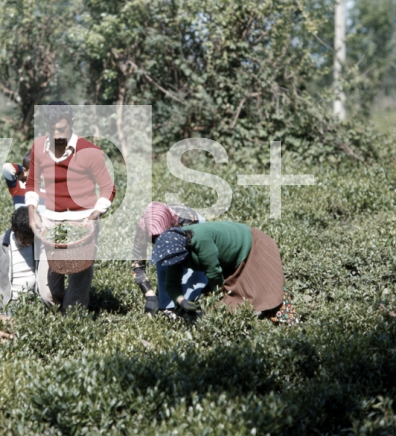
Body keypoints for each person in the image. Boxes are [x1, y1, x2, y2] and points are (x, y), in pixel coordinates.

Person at [25, 100, 116, 312]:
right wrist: (32, 211)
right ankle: (63, 313)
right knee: (48, 290)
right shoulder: (39, 147)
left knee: (78, 281)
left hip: (83, 219)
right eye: (52, 129)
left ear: (72, 122)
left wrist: (94, 214)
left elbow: (108, 188)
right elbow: (33, 182)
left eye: (62, 129)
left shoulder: (90, 152)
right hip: (52, 220)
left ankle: (74, 319)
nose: (57, 135)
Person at [152, 221, 299, 325]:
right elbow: (171, 284)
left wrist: (214, 297)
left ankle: (289, 323)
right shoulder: (172, 251)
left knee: (267, 291)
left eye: (178, 260)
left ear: (184, 250)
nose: (176, 263)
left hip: (252, 247)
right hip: (228, 263)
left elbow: (214, 274)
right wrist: (181, 301)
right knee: (224, 303)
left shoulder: (200, 239)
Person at [131, 202, 208, 315]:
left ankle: (197, 300)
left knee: (193, 271)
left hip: (189, 231)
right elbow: (137, 267)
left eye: (160, 238)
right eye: (154, 238)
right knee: (164, 264)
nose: (158, 242)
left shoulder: (187, 219)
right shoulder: (143, 230)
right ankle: (169, 306)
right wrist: (150, 296)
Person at [0, 207, 40, 311]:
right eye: (23, 237)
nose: (28, 242)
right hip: (8, 305)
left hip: (34, 303)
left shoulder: (38, 244)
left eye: (32, 237)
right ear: (13, 229)